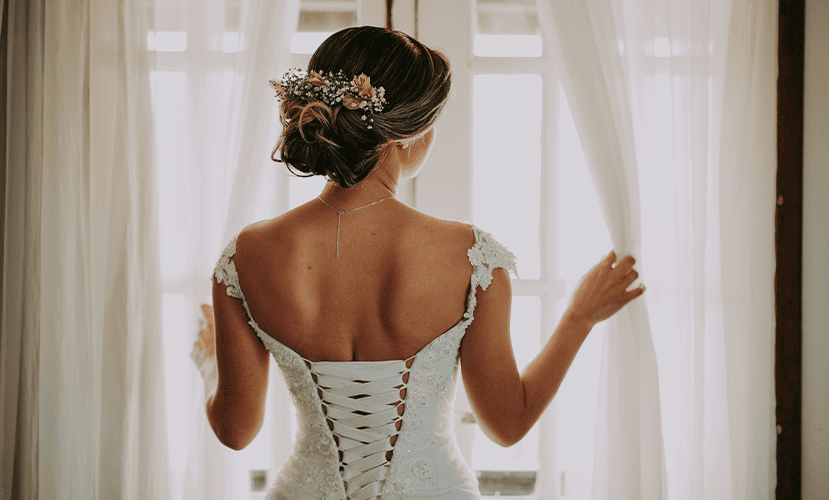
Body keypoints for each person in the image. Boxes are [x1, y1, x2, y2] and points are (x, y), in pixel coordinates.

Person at [191, 26, 645, 500]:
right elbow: (508, 424)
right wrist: (578, 317)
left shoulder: (249, 252)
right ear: (409, 134)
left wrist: (208, 362)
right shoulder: (470, 255)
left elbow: (235, 431)